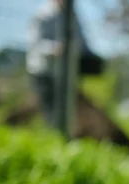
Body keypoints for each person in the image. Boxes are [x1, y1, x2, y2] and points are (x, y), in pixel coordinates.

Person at [26, 0, 96, 128]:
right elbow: (36, 44)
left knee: (66, 107)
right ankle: (53, 136)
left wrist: (91, 56)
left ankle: (63, 133)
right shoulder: (43, 15)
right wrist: (55, 48)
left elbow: (81, 41)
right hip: (44, 70)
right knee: (50, 109)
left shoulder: (72, 16)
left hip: (65, 72)